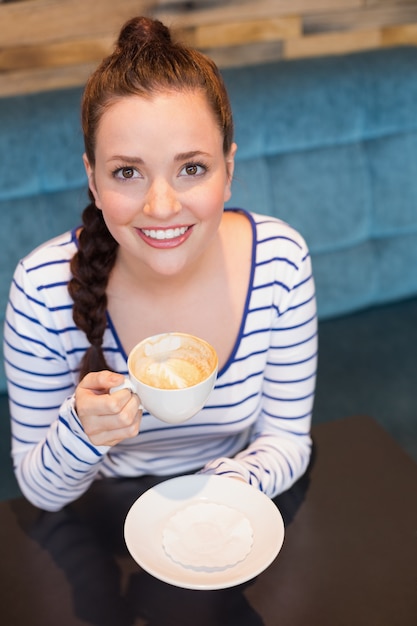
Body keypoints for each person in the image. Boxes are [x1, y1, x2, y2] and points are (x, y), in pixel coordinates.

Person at [4, 16, 317, 512]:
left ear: (228, 170)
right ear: (92, 179)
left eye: (191, 168)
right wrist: (82, 433)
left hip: (234, 499)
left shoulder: (280, 261)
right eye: (127, 172)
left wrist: (233, 484)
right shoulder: (41, 289)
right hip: (104, 512)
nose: (163, 206)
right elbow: (40, 492)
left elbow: (288, 439)